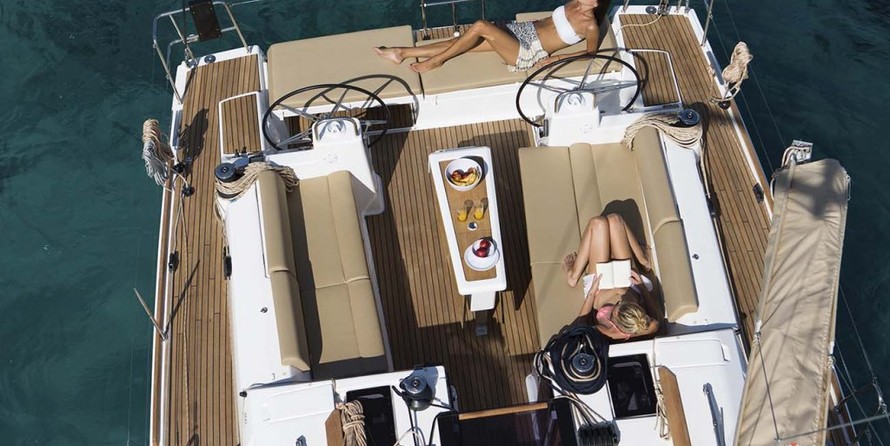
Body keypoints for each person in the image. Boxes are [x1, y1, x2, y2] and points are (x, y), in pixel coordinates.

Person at [373, 0, 611, 73]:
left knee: (480, 26)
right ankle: (401, 52)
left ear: (596, 3)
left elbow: (591, 53)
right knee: (460, 43)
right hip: (522, 31)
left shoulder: (590, 25)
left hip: (528, 51)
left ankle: (436, 61)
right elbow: (547, 23)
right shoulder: (574, 3)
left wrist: (555, 59)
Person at [564, 214, 660, 340]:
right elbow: (656, 319)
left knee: (598, 223)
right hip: (627, 282)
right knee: (615, 219)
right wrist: (641, 286)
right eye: (623, 302)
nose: (619, 299)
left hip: (599, 287)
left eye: (617, 305)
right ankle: (643, 260)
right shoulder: (646, 324)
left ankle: (573, 276)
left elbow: (580, 325)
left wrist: (591, 293)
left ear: (615, 323)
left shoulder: (608, 332)